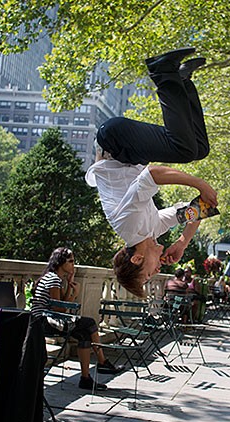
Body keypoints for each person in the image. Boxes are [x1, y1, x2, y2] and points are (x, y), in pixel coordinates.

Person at [85, 47, 217, 298]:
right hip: (129, 153)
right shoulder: (152, 229)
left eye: (147, 275)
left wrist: (199, 184)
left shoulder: (129, 225)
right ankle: (182, 81)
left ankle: (162, 70)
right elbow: (196, 210)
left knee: (185, 150)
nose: (157, 271)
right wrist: (182, 242)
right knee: (199, 150)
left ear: (137, 259)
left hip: (115, 142)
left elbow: (153, 174)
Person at [31, 247, 122, 391]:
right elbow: (59, 309)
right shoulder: (53, 280)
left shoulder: (55, 278)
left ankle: (86, 378)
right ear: (61, 262)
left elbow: (61, 304)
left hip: (48, 320)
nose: (73, 265)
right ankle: (102, 362)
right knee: (90, 323)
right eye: (71, 261)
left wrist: (70, 284)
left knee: (84, 335)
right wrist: (75, 293)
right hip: (45, 322)